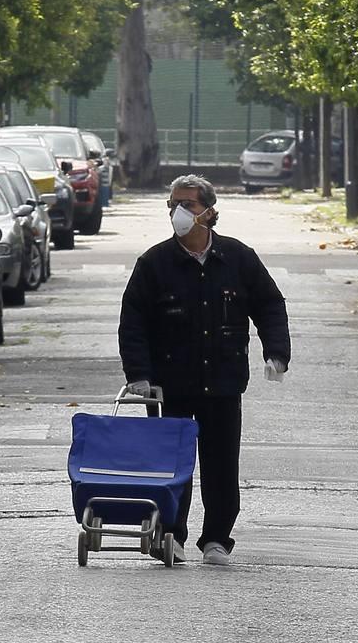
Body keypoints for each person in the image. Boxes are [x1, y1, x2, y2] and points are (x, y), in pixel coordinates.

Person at [118, 174, 290, 565]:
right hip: (169, 385)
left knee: (221, 464)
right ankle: (171, 534)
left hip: (223, 382)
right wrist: (139, 375)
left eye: (188, 205)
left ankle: (216, 538)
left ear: (209, 212)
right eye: (173, 204)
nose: (178, 212)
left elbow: (269, 304)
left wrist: (276, 352)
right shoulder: (154, 263)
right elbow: (133, 322)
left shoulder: (238, 258)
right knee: (171, 465)